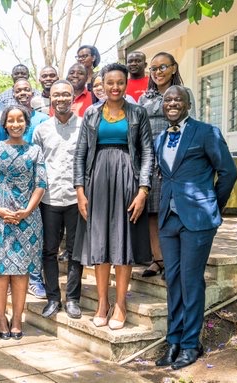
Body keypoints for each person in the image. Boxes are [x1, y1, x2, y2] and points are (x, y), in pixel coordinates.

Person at [154, 86, 237, 370]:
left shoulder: (206, 132)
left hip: (198, 219)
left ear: (188, 103)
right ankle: (174, 340)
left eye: (178, 99)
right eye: (168, 99)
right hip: (168, 219)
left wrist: (213, 204)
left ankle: (191, 344)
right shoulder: (160, 138)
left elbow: (228, 172)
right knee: (173, 281)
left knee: (191, 281)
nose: (172, 103)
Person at [73, 63, 153, 331]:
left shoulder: (138, 113)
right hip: (96, 181)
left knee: (122, 240)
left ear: (126, 83)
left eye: (120, 82)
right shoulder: (91, 114)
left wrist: (143, 190)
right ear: (102, 85)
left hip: (127, 179)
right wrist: (80, 190)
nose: (115, 87)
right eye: (110, 82)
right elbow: (81, 154)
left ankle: (120, 303)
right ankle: (102, 303)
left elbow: (147, 152)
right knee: (100, 242)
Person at [0, 104, 46, 340]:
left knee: (21, 273)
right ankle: (1, 318)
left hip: (28, 220)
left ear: (26, 123)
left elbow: (41, 184)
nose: (15, 124)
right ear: (4, 124)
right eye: (11, 120)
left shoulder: (35, 151)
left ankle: (18, 318)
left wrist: (27, 210)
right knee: (0, 273)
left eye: (20, 120)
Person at [138, 52, 196, 278]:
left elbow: (191, 125)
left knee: (174, 210)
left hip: (174, 160)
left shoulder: (184, 93)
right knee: (153, 212)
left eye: (163, 67)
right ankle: (158, 260)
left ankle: (176, 260)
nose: (158, 72)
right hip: (149, 160)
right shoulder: (145, 98)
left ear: (173, 68)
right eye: (153, 68)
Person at [32, 80, 85, 319]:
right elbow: (36, 165)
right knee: (49, 251)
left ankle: (73, 299)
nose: (61, 99)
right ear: (50, 98)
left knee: (75, 251)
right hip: (49, 199)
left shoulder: (85, 127)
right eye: (56, 95)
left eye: (66, 95)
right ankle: (53, 298)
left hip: (76, 198)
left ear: (73, 97)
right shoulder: (42, 130)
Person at [0, 79, 49, 143]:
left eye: (27, 90)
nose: (22, 93)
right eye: (18, 91)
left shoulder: (43, 119)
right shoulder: (6, 118)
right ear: (13, 95)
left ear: (32, 94)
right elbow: (0, 144)